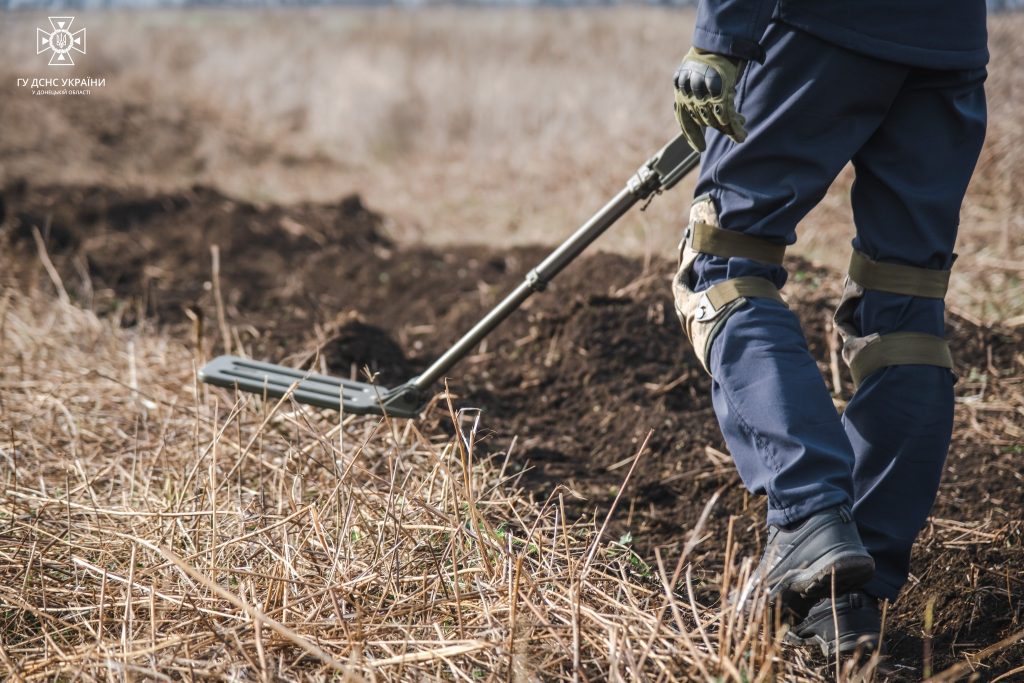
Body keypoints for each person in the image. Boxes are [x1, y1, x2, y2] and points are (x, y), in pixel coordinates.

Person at [670, 0, 989, 657]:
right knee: (906, 304)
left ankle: (809, 510)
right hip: (950, 43)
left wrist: (721, 39)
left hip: (823, 23)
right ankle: (842, 596)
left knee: (724, 264)